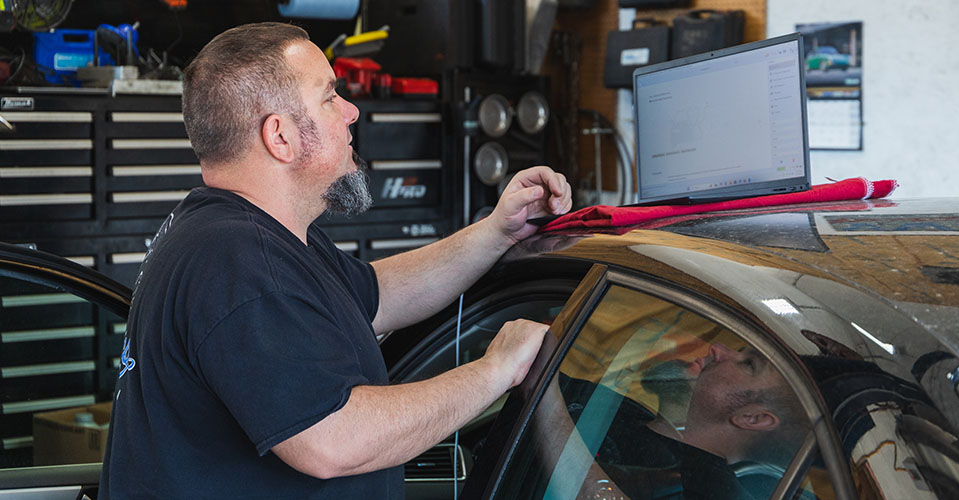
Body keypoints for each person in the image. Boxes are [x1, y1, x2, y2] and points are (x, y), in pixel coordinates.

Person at [98, 22, 571, 499]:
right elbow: (332, 441)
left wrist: (495, 233)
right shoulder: (237, 261)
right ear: (279, 136)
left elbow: (379, 293)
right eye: (329, 97)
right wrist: (496, 371)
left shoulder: (251, 235)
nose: (351, 111)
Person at [535, 344, 810, 500]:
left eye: (748, 364)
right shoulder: (621, 407)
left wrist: (542, 392)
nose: (718, 349)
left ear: (752, 418)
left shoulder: (710, 492)